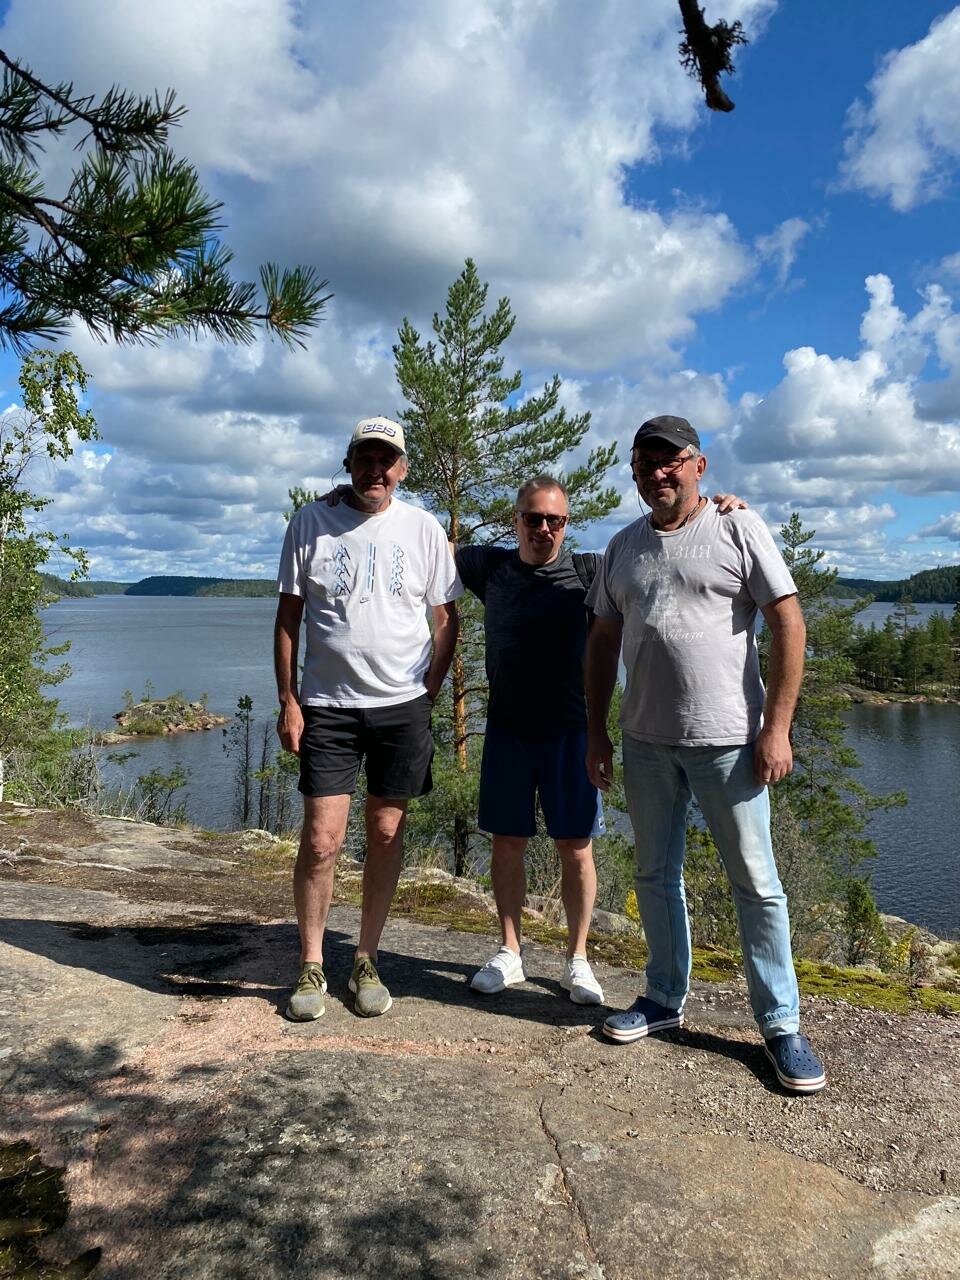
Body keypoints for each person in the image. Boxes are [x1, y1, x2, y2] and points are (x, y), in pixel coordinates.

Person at [584, 416, 825, 1093]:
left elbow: (787, 620)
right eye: (644, 462)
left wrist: (777, 727)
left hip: (729, 742)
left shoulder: (736, 527)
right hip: (645, 740)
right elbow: (601, 642)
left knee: (756, 883)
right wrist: (597, 732)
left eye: (671, 460)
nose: (656, 472)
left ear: (699, 465)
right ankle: (664, 997)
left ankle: (780, 1025)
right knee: (655, 874)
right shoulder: (622, 547)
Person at [275, 416, 462, 1021]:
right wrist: (289, 700)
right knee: (321, 840)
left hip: (401, 707)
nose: (375, 470)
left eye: (386, 460)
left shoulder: (423, 528)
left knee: (384, 833)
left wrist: (429, 690)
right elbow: (288, 617)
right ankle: (311, 964)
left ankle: (365, 958)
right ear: (349, 462)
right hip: (327, 706)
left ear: (402, 468)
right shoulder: (311, 522)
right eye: (365, 458)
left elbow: (446, 618)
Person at [458, 476, 607, 1004]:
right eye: (533, 518)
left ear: (566, 524)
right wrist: (352, 502)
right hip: (509, 731)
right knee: (507, 843)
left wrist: (714, 510)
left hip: (571, 732)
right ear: (516, 520)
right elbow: (421, 543)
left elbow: (656, 553)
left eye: (555, 520)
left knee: (576, 847)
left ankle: (578, 960)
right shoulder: (490, 567)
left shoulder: (590, 572)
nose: (544, 528)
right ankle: (510, 952)